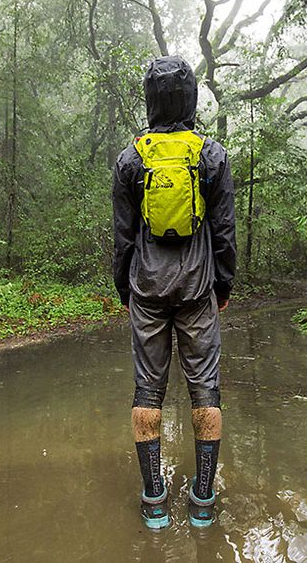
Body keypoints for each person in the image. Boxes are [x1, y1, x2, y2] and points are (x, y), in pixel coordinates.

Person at [112, 55, 237, 529]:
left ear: (150, 100)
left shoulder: (131, 159)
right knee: (205, 390)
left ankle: (154, 501)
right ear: (191, 98)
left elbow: (123, 236)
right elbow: (224, 232)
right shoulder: (211, 156)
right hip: (198, 289)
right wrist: (223, 285)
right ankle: (202, 501)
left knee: (148, 391)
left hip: (146, 291)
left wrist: (124, 289)